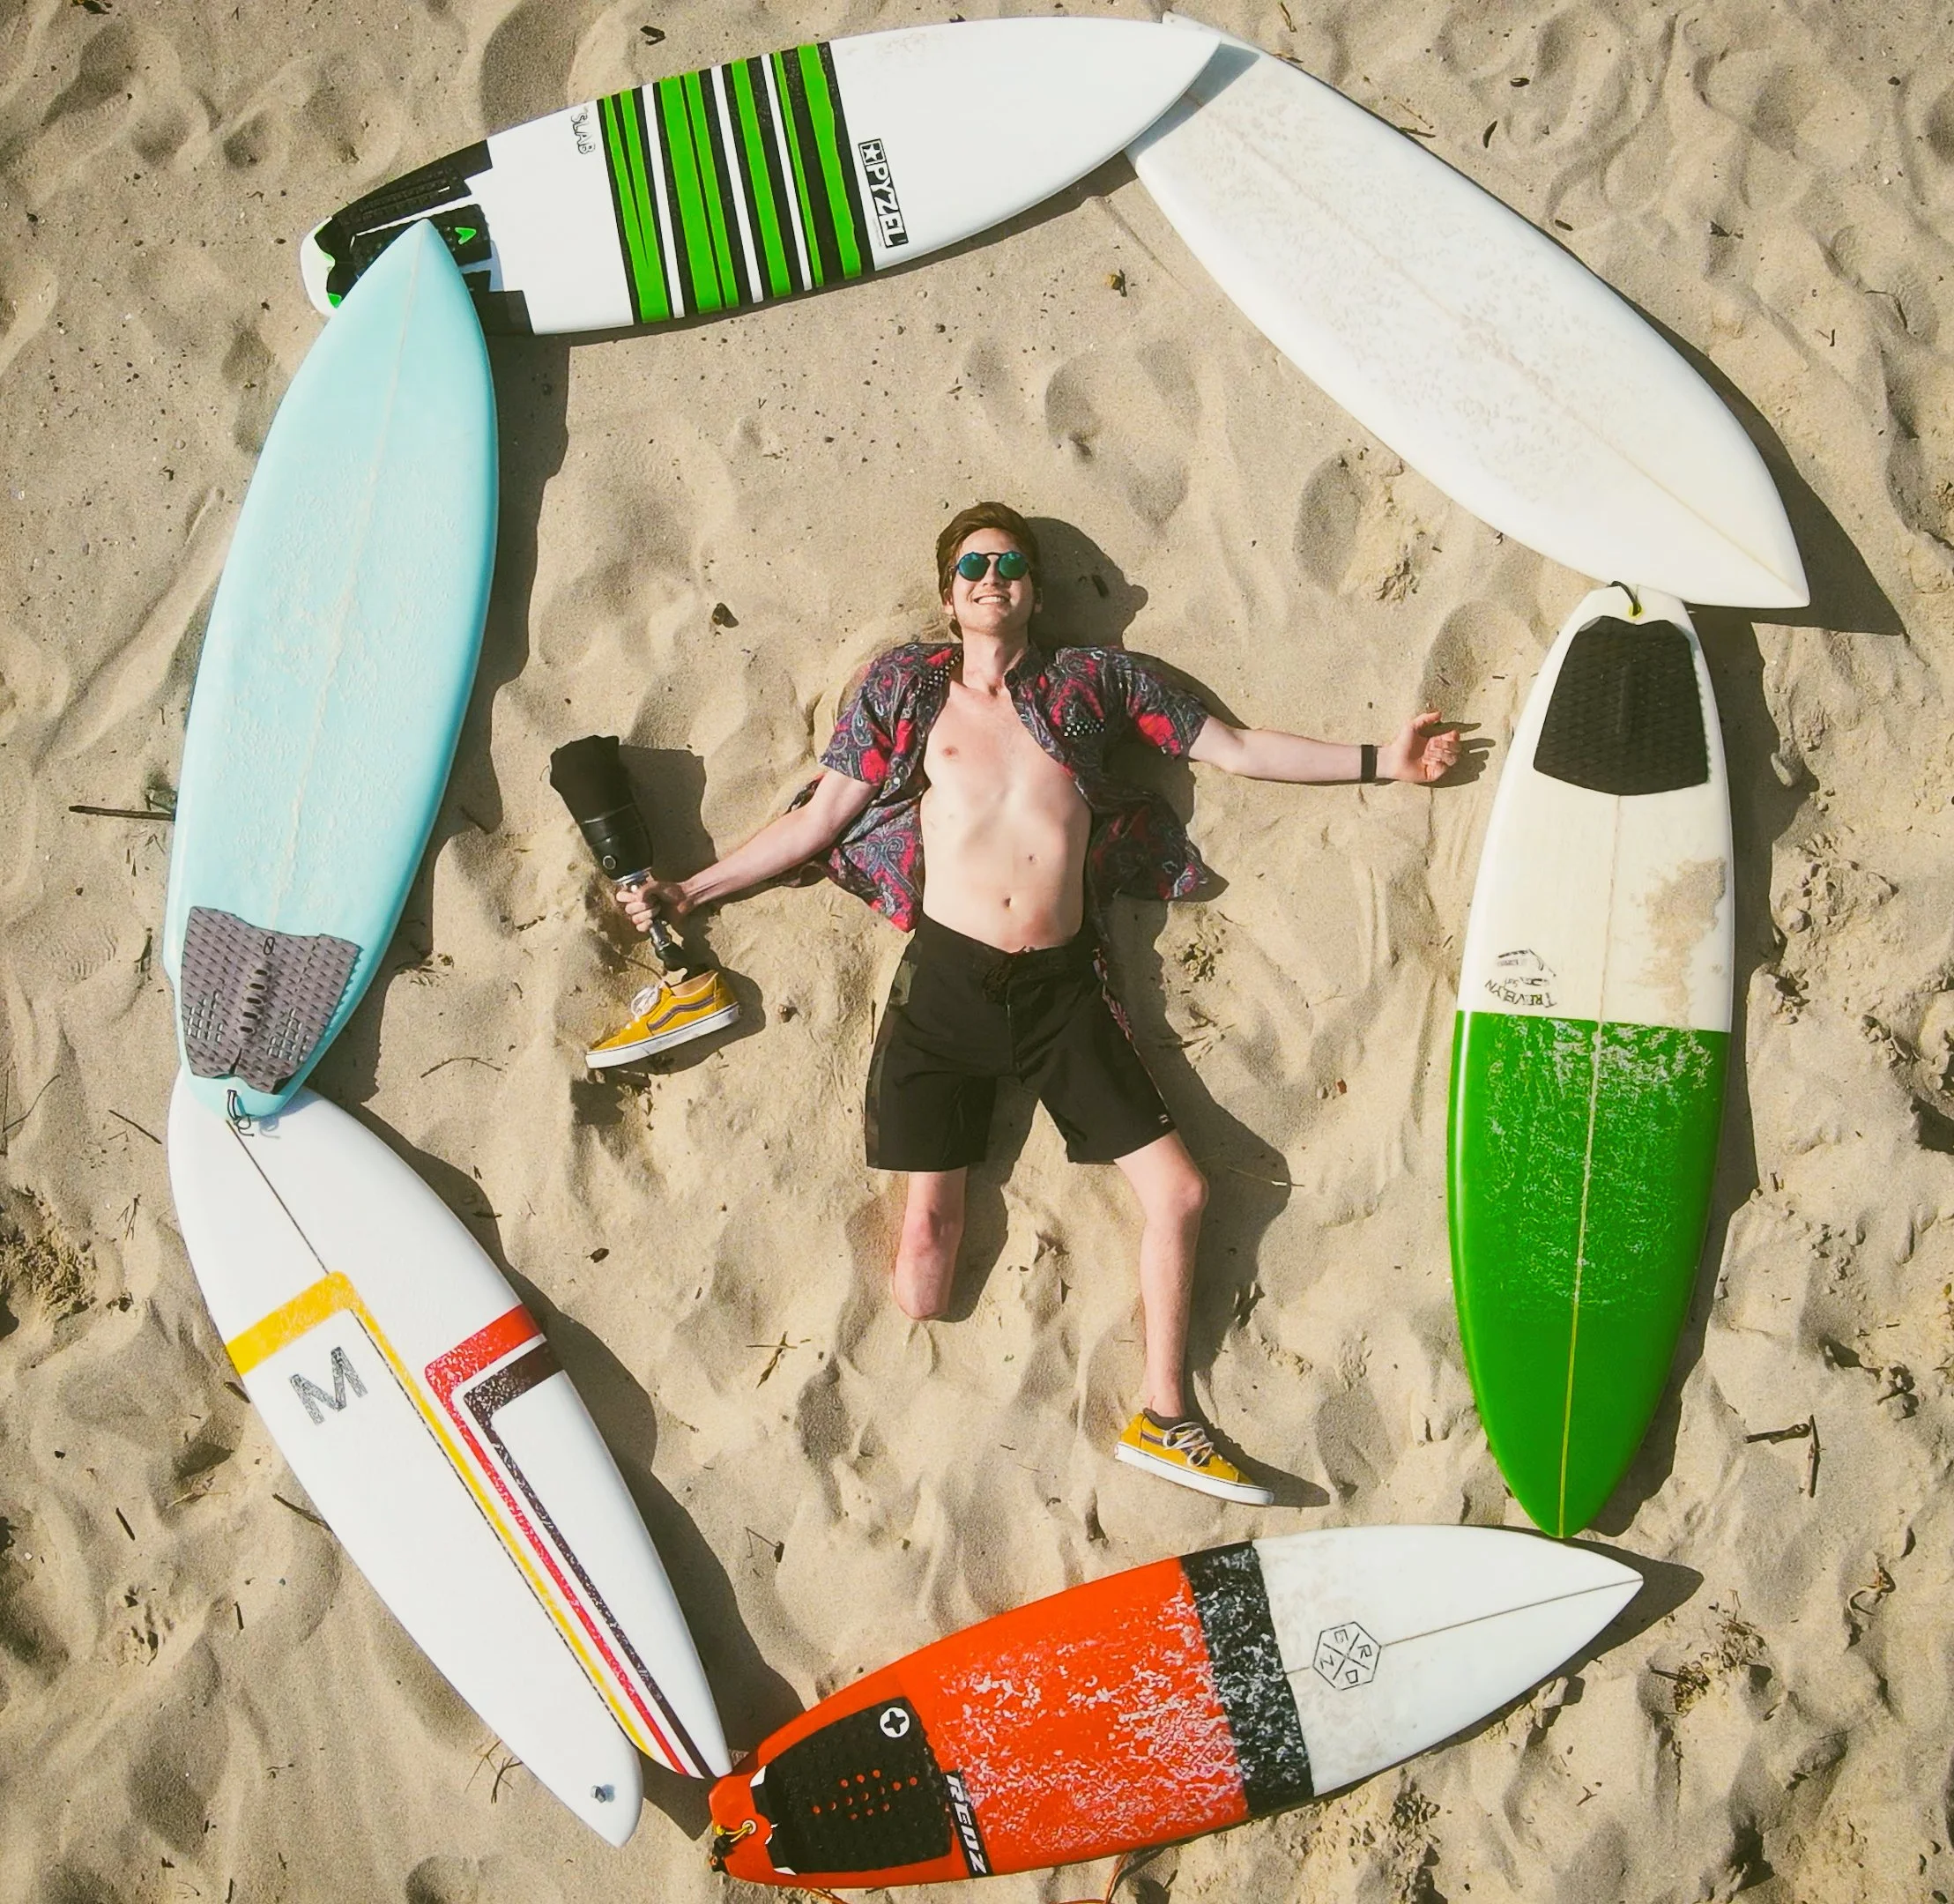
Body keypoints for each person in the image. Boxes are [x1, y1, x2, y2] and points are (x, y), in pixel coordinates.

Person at [615, 502, 1460, 1504]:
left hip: (1063, 987)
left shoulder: (1095, 684)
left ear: (1035, 590)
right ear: (948, 593)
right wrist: (691, 890)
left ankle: (1166, 1413)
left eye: (1009, 564)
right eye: (971, 564)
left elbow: (1231, 747)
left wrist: (1384, 763)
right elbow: (821, 817)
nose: (990, 576)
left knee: (1183, 1192)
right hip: (946, 984)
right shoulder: (905, 688)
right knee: (925, 1275)